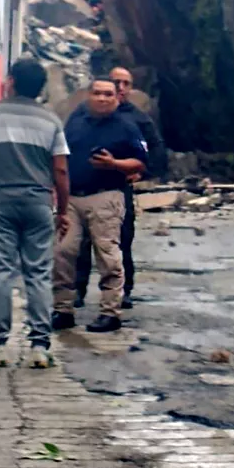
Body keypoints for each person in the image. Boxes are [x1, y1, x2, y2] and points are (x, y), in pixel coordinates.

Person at [0, 58, 71, 369]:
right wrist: (62, 210)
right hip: (38, 204)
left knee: (0, 272)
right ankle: (40, 347)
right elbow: (60, 170)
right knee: (38, 273)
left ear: (12, 82)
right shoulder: (51, 121)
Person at [52, 77, 146, 333]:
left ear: (116, 98)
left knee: (107, 255)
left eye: (108, 94)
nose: (102, 99)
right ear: (88, 95)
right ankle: (62, 310)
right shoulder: (75, 122)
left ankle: (110, 312)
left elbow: (140, 162)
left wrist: (114, 164)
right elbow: (60, 156)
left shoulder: (126, 126)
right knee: (62, 252)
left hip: (106, 196)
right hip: (72, 198)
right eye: (97, 93)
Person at [74, 66, 165, 311]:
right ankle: (77, 290)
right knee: (79, 243)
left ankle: (123, 291)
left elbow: (155, 150)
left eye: (126, 84)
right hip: (83, 187)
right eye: (116, 83)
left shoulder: (137, 118)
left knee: (121, 240)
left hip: (117, 188)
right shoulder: (82, 115)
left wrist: (140, 171)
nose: (121, 88)